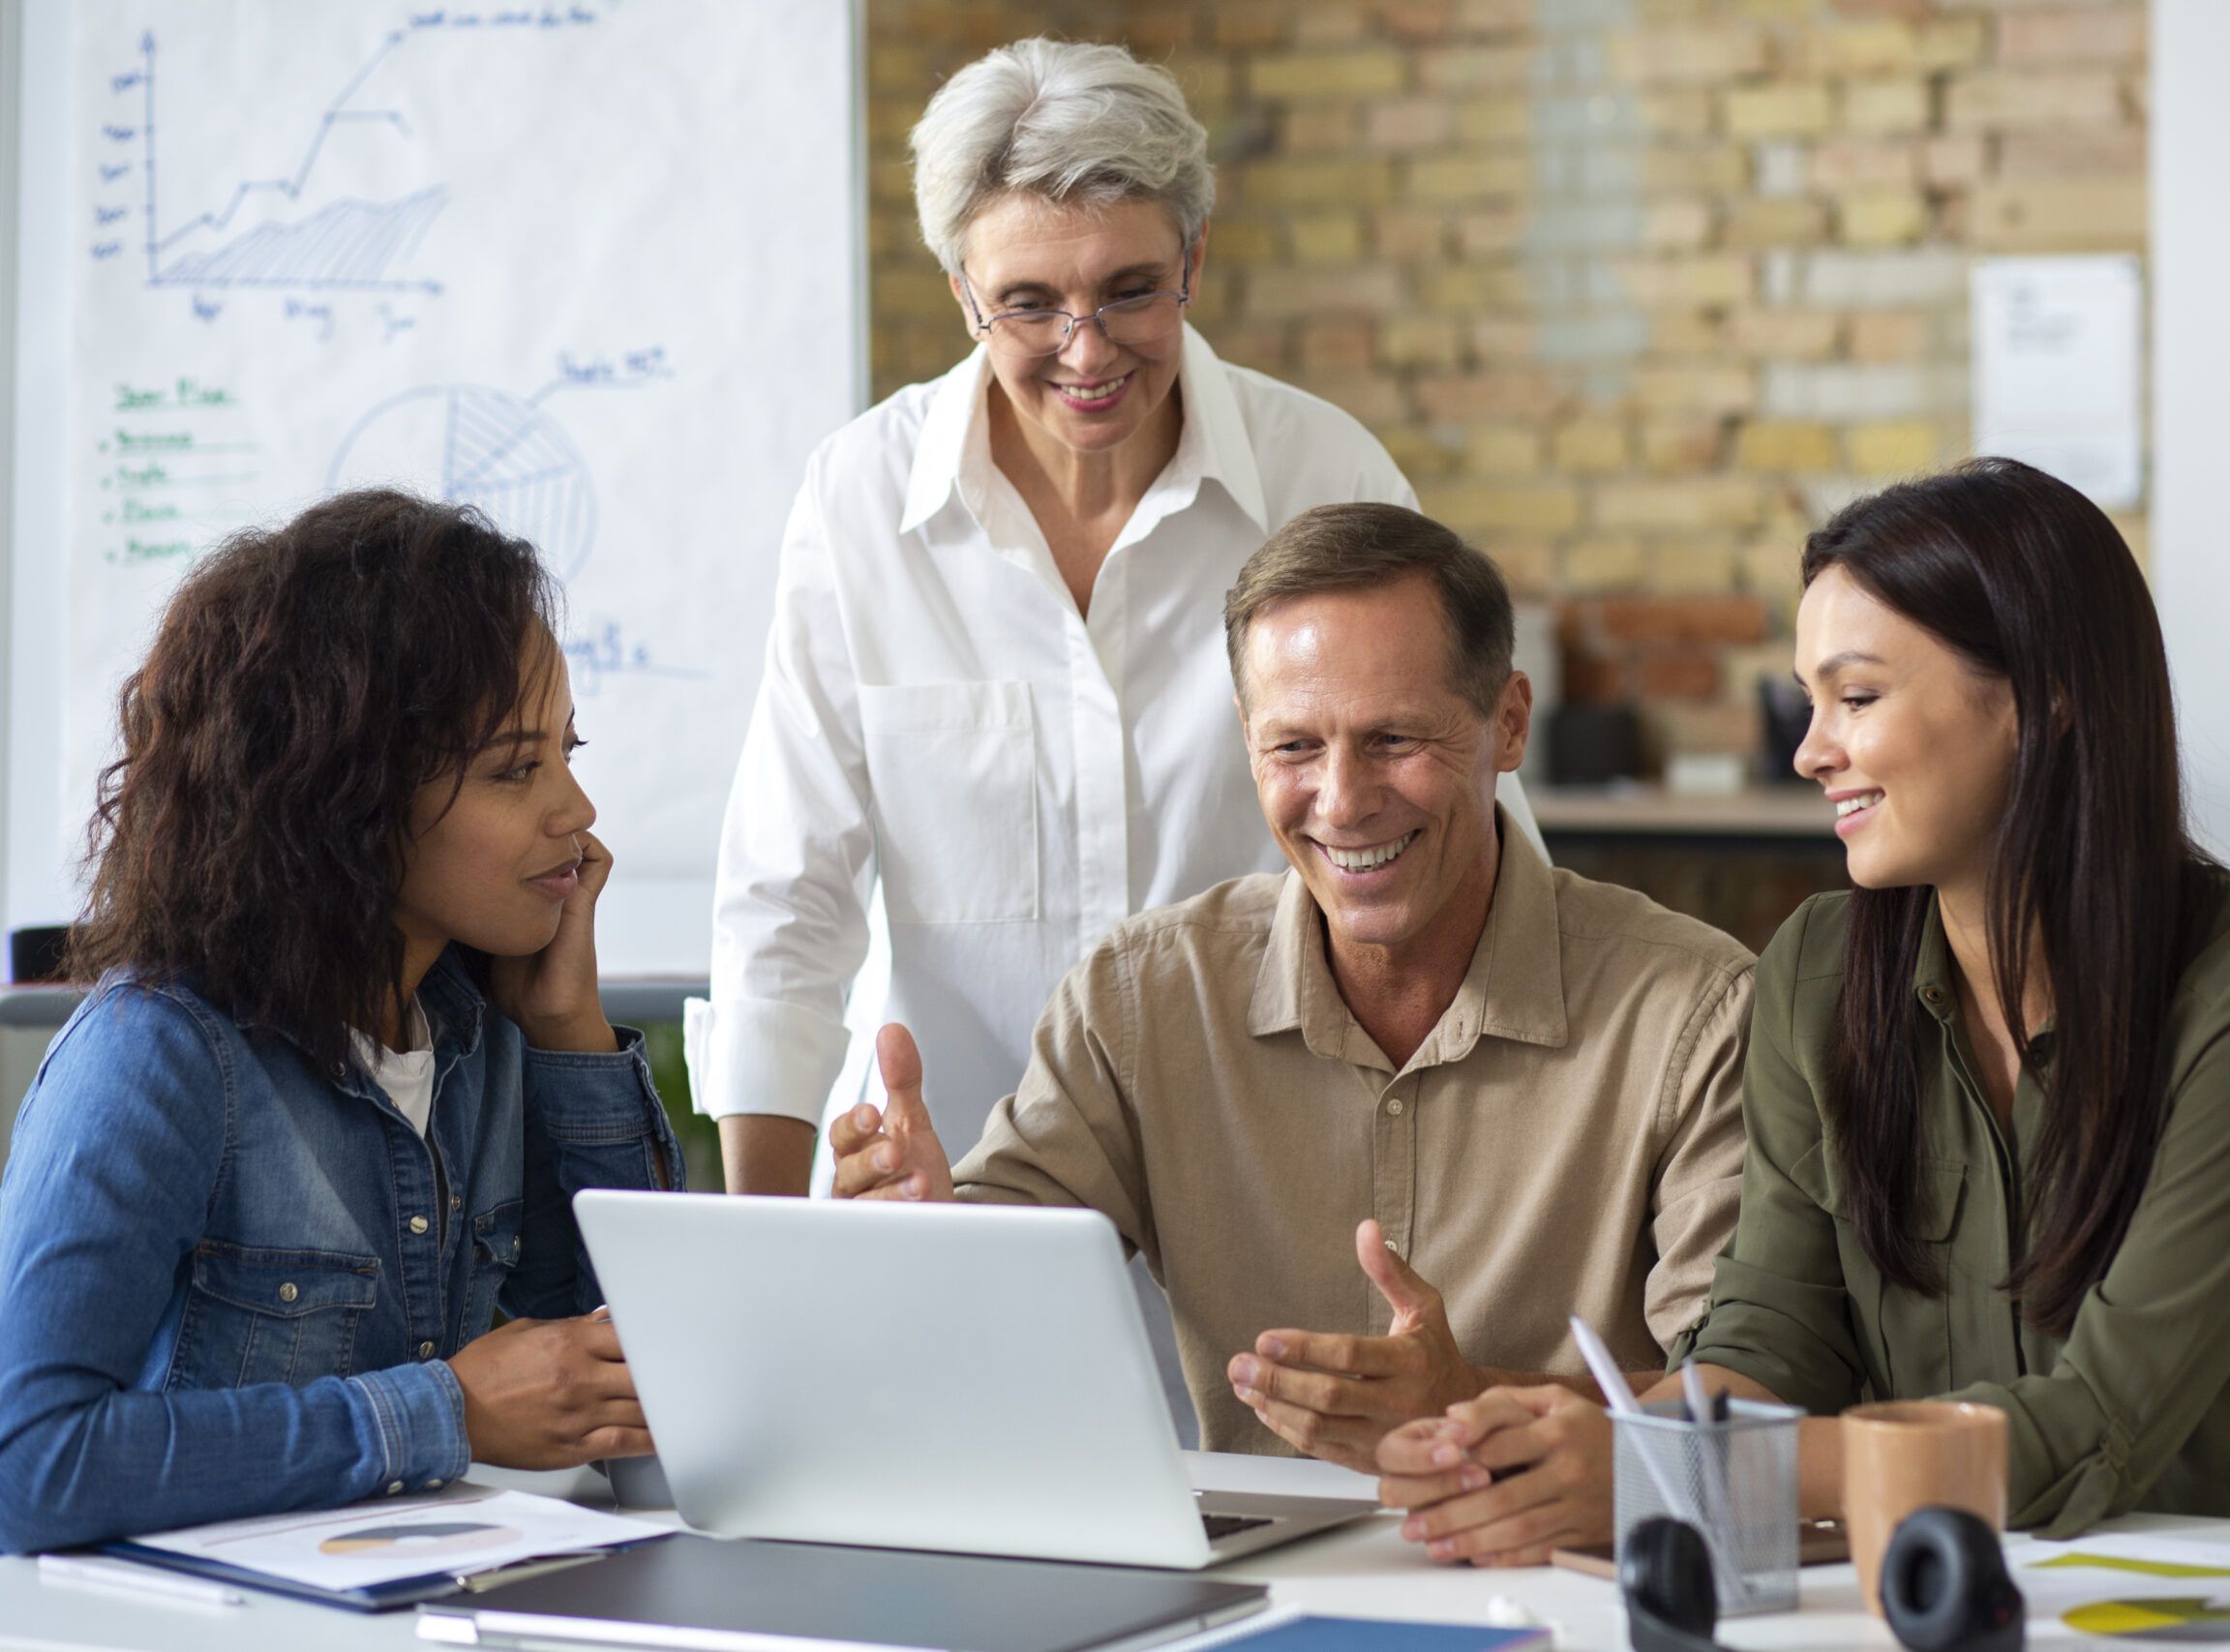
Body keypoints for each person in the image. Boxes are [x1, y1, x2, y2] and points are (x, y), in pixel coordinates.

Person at [1371, 458, 2230, 1567]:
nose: (1809, 751)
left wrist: (1703, 1469)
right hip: (1997, 1586)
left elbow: (2101, 1425)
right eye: (1810, 701)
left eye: (1857, 697)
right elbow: (1775, 1340)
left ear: (2042, 701)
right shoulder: (1817, 970)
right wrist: (1607, 1445)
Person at [691, 38, 1537, 1195]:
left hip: (1281, 1187)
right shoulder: (859, 501)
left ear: (1191, 256)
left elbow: (1474, 853)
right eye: (1029, 305)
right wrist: (766, 1243)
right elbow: (786, 900)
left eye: (1130, 291)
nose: (1086, 353)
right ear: (962, 293)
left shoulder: (1323, 474)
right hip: (948, 1191)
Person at [830, 503, 1748, 1471]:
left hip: (1563, 1587)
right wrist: (918, 1237)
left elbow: (1745, 1404)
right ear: (1248, 742)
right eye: (1294, 747)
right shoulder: (1141, 1001)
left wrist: (1471, 1401)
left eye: (1393, 738)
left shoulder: (1694, 1011)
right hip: (1243, 1592)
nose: (1343, 802)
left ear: (1506, 724)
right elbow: (988, 1300)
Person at [0, 492, 683, 1554]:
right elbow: (27, 1467)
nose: (578, 812)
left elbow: (657, 1401)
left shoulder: (486, 1041)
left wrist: (566, 1029)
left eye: (567, 749)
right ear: (347, 799)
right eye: (515, 770)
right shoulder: (155, 1057)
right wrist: (440, 1412)